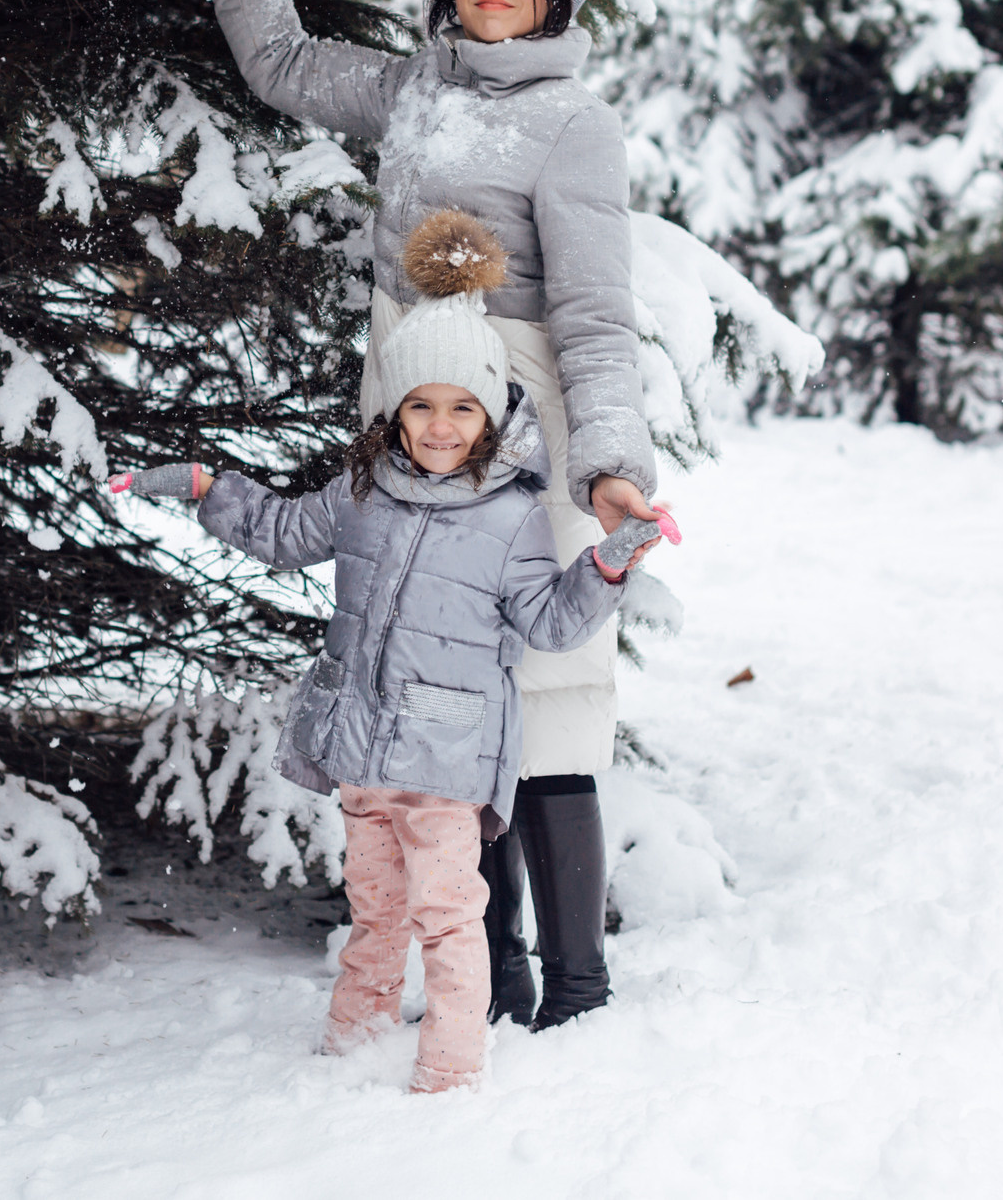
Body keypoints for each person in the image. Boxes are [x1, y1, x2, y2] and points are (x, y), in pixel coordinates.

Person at [162, 0, 654, 1029]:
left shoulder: (571, 125)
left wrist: (612, 469)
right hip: (408, 417)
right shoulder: (413, 90)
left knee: (546, 694)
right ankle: (494, 980)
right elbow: (280, 65)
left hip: (522, 428)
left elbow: (593, 317)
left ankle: (576, 989)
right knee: (434, 691)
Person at [111, 213, 661, 1093]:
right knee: (374, 914)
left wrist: (608, 560)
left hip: (446, 762)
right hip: (364, 751)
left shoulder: (511, 514)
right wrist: (212, 489)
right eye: (420, 405)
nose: (439, 426)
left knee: (449, 918)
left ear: (487, 415)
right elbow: (283, 531)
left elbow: (550, 623)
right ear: (396, 410)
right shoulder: (360, 494)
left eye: (461, 407)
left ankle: (449, 1069)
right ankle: (353, 1042)